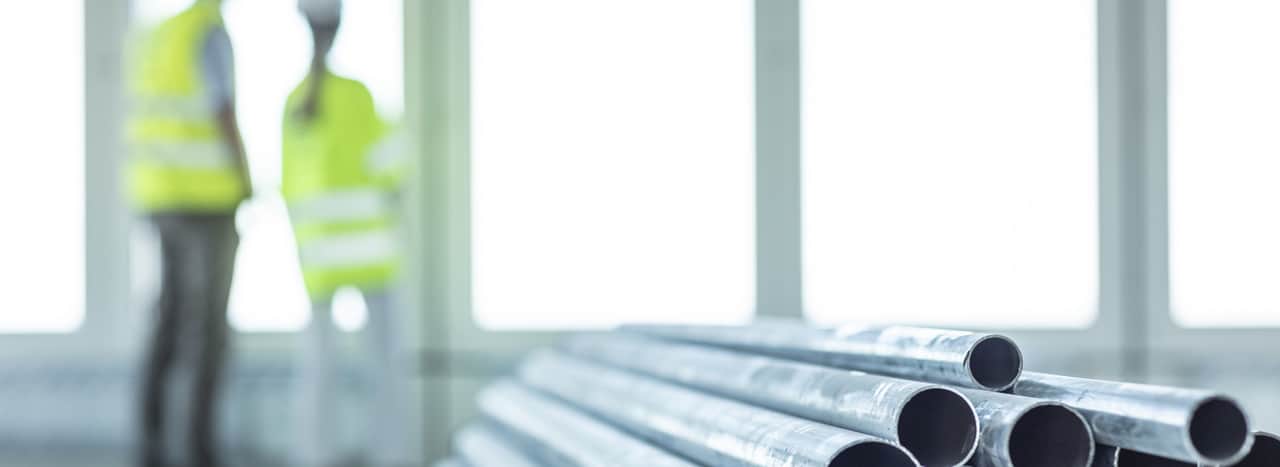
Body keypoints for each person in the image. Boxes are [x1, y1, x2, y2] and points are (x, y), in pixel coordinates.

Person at [284, 1, 414, 466]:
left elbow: (288, 188)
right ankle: (392, 458)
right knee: (385, 372)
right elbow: (392, 168)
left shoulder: (295, 104)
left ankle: (314, 458)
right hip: (372, 254)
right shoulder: (358, 96)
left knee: (318, 373)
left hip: (319, 260)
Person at [127, 1, 250, 467]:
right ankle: (199, 452)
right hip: (204, 202)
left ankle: (151, 446)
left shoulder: (160, 35)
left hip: (159, 196)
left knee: (167, 320)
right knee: (205, 332)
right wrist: (244, 179)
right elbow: (222, 110)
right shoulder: (208, 31)